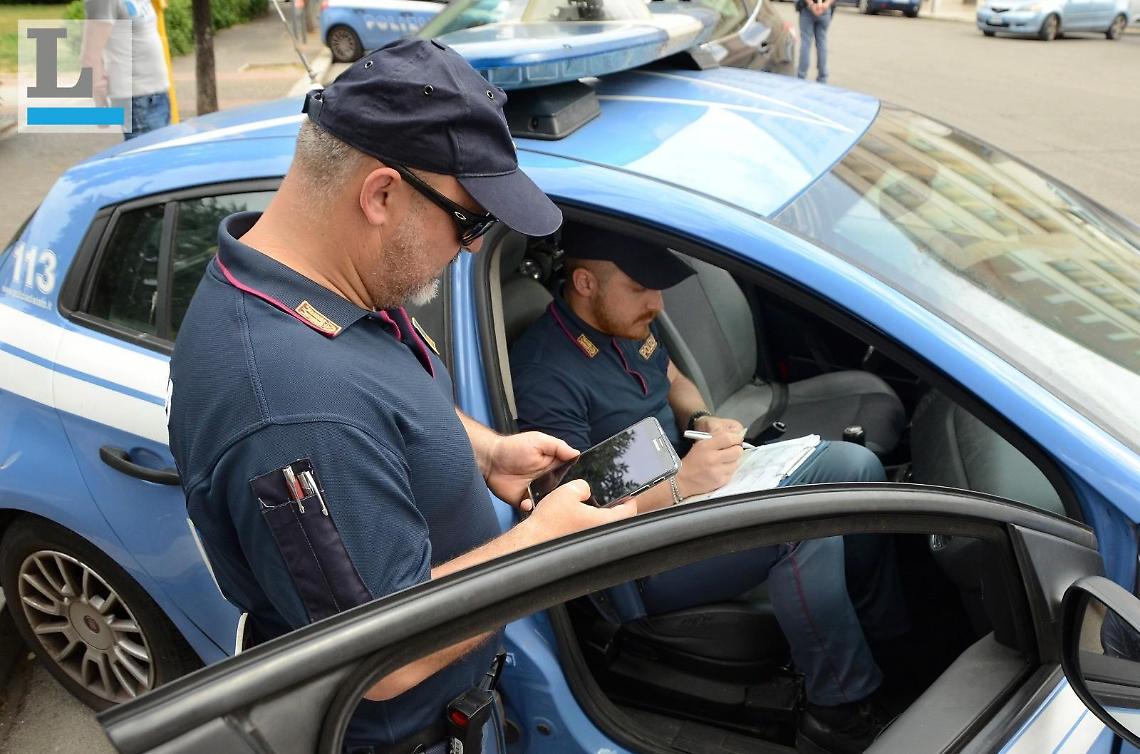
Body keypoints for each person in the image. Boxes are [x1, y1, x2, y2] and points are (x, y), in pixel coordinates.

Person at [167, 40, 635, 754]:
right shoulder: (294, 408)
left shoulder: (313, 283)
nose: (476, 247)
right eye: (471, 220)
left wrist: (487, 453)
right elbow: (381, 655)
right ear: (381, 194)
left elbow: (384, 393)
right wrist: (542, 548)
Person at [510, 225, 907, 753]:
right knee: (802, 530)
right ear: (585, 282)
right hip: (634, 551)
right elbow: (575, 501)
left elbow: (670, 374)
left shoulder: (625, 323)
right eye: (641, 289)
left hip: (693, 485)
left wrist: (702, 417)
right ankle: (839, 712)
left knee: (857, 469)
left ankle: (884, 641)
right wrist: (678, 485)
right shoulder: (547, 371)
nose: (657, 304)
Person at [81, 0, 171, 138]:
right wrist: (101, 106)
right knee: (145, 158)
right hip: (138, 103)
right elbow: (90, 57)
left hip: (159, 96)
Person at [796, 0, 835, 84]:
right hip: (825, 10)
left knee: (805, 43)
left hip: (807, 9)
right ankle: (822, 76)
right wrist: (826, 4)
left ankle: (801, 75)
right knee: (822, 44)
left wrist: (812, 4)